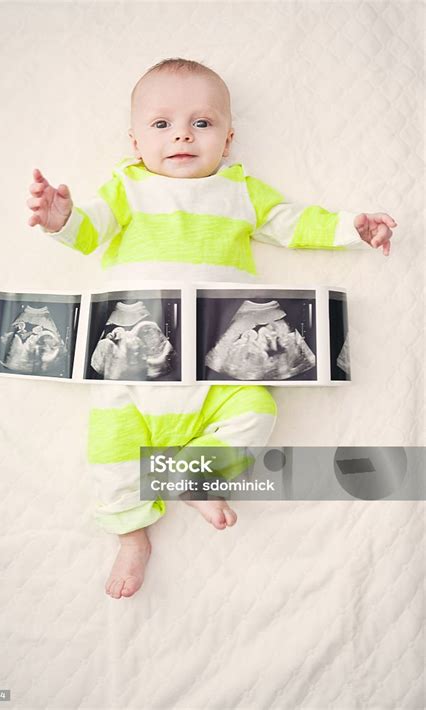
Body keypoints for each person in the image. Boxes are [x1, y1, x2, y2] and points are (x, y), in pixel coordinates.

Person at [27, 58, 396, 599]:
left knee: (258, 411)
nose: (181, 134)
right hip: (133, 375)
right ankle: (132, 536)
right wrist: (62, 220)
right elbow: (89, 233)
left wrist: (349, 227)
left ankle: (193, 476)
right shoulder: (127, 188)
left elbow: (291, 223)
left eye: (201, 123)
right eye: (161, 125)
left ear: (228, 138)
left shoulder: (239, 190)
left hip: (218, 372)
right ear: (134, 142)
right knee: (109, 454)